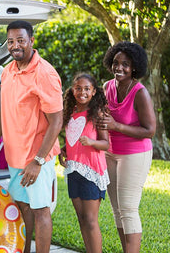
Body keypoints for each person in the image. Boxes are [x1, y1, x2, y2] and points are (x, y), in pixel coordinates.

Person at [0, 20, 63, 253]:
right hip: (15, 157)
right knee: (23, 206)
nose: (15, 45)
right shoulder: (8, 71)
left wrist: (38, 161)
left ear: (31, 40)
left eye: (20, 40)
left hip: (36, 158)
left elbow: (56, 122)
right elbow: (5, 111)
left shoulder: (45, 74)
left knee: (41, 209)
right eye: (11, 41)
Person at [98, 42, 156, 253]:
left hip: (135, 154)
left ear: (134, 68)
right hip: (110, 152)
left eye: (125, 64)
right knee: (117, 209)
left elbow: (150, 130)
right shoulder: (107, 87)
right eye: (115, 63)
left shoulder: (140, 93)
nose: (119, 68)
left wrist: (117, 126)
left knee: (129, 209)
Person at [59, 73, 109, 253]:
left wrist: (92, 142)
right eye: (78, 88)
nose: (82, 92)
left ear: (94, 91)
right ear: (72, 90)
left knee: (90, 219)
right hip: (74, 170)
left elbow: (106, 144)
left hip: (91, 171)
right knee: (81, 218)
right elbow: (73, 140)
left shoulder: (97, 113)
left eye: (87, 89)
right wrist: (64, 150)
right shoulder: (70, 112)